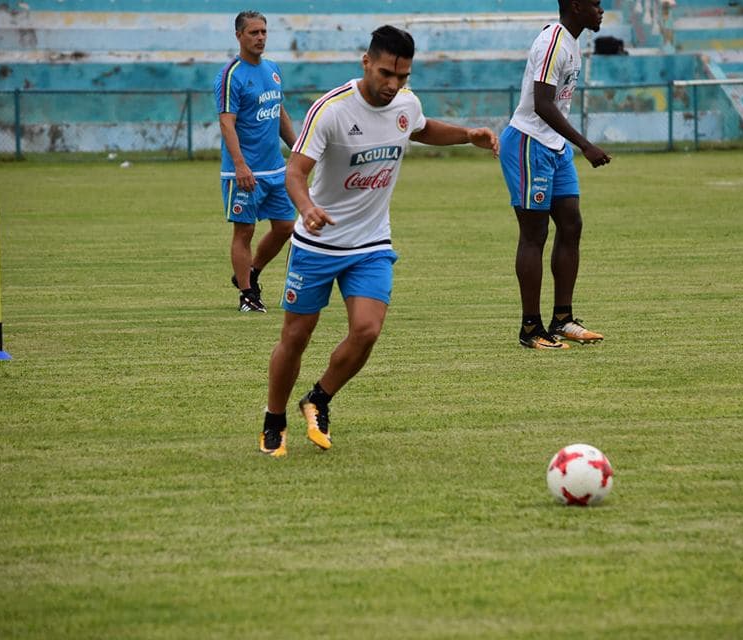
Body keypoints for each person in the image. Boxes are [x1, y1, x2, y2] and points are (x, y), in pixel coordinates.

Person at [259, 25, 500, 457]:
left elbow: (419, 128)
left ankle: (318, 398)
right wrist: (306, 208)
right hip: (318, 243)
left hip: (370, 243)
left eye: (402, 76)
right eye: (386, 73)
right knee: (295, 337)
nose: (393, 84)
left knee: (367, 330)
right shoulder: (330, 110)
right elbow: (294, 171)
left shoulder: (406, 103)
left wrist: (467, 135)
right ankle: (273, 419)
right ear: (366, 62)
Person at [499, 0, 611, 349]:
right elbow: (542, 103)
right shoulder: (553, 43)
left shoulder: (573, 43)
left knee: (571, 224)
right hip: (528, 143)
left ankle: (562, 319)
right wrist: (585, 145)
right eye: (595, 4)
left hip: (554, 146)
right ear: (576, 6)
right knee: (534, 233)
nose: (601, 10)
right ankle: (530, 328)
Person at [214, 11, 297, 312]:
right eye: (253, 32)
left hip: (276, 168)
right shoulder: (231, 75)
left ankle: (251, 273)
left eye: (263, 32)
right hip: (245, 171)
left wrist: (298, 148)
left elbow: (279, 112)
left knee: (286, 227)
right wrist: (240, 165)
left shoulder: (272, 69)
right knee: (244, 231)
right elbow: (227, 123)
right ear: (239, 36)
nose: (260, 37)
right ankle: (247, 296)